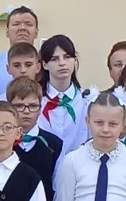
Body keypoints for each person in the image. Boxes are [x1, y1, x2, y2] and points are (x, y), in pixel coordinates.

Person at [38, 35, 91, 165]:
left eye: (67, 57)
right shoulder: (36, 102)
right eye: (54, 59)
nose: (62, 63)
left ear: (74, 60)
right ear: (44, 64)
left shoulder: (88, 100)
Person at [0, 6, 40, 97]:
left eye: (28, 24)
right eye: (16, 24)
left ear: (36, 32)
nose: (22, 28)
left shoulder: (47, 65)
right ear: (7, 31)